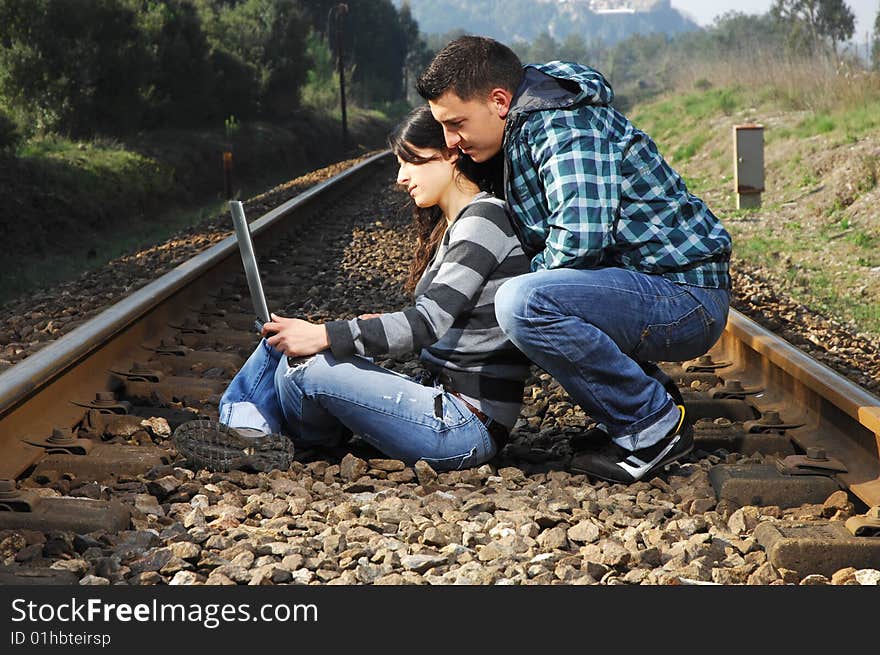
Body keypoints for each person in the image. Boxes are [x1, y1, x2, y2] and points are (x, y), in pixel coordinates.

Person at [417, 36, 732, 484]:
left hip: (684, 297)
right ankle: (647, 400)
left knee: (524, 304)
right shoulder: (526, 127)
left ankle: (652, 425)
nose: (451, 141)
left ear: (500, 101)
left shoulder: (562, 125)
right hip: (649, 288)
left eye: (456, 123)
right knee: (529, 299)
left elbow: (580, 240)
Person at [172, 105, 531, 473]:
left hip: (463, 426)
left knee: (307, 365)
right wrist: (338, 333)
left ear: (451, 154)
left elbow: (426, 324)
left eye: (410, 161)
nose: (401, 177)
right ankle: (247, 438)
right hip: (442, 407)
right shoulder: (457, 224)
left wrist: (328, 334)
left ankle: (261, 437)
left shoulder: (484, 220)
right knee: (281, 343)